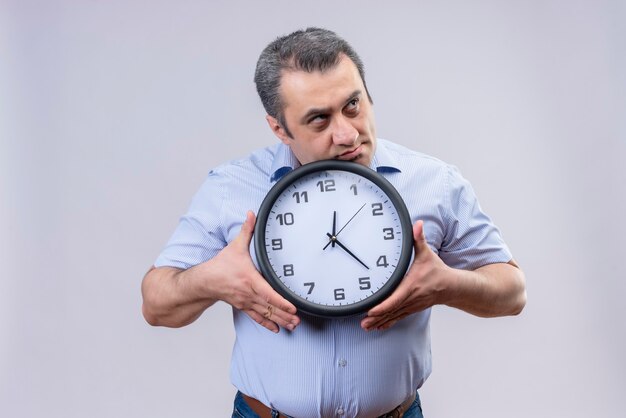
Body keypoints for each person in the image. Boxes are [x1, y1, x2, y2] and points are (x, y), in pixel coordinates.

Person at [141, 27, 526, 418]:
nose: (346, 133)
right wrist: (210, 280)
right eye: (319, 120)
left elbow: (512, 293)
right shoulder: (230, 188)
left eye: (353, 105)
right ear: (279, 128)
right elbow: (156, 304)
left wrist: (448, 286)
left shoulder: (434, 183)